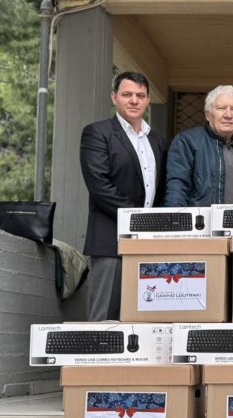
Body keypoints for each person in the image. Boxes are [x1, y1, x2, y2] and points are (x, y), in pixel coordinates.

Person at [79, 71, 167, 321]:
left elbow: (161, 190)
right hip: (110, 242)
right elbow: (99, 185)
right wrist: (137, 220)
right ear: (114, 97)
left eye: (140, 95)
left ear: (148, 100)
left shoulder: (158, 141)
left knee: (144, 318)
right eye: (127, 94)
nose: (134, 100)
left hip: (148, 244)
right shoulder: (98, 133)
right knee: (104, 318)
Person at [163, 85, 233, 206]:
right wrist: (176, 216)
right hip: (201, 219)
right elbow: (177, 188)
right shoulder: (187, 141)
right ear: (207, 114)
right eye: (221, 108)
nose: (228, 115)